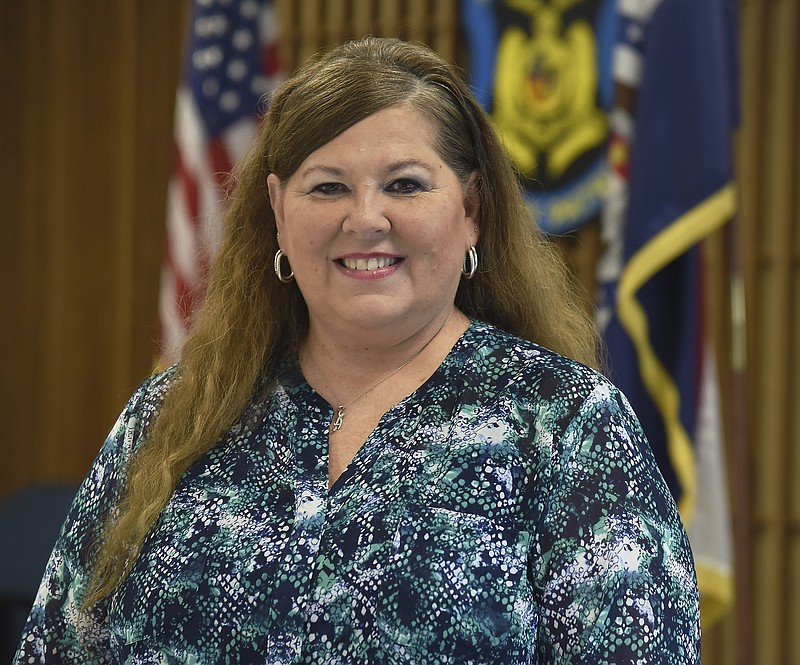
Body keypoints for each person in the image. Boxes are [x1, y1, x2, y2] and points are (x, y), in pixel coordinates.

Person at [15, 37, 700, 664]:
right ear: (279, 212)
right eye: (328, 186)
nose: (365, 218)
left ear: (471, 209)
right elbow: (57, 646)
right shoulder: (170, 416)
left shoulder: (565, 424)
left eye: (405, 184)